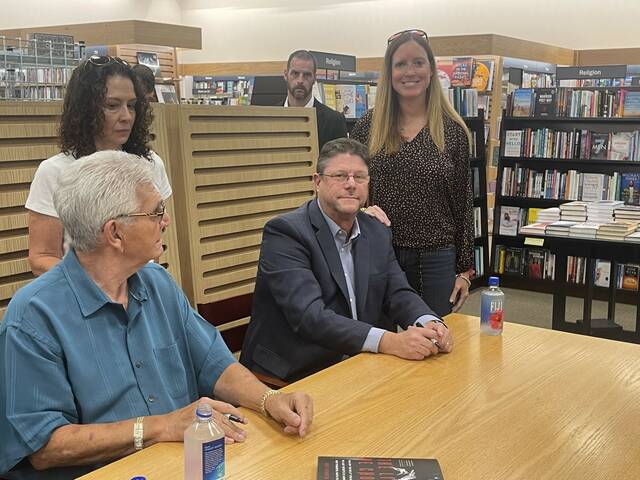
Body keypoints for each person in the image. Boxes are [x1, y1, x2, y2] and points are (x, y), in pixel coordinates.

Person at [0, 151, 313, 479]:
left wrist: (269, 398)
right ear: (115, 233)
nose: (165, 221)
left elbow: (215, 364)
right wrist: (160, 427)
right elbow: (44, 446)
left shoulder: (158, 283)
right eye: (156, 212)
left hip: (187, 465)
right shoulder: (33, 317)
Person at [240, 138, 453, 383]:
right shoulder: (286, 233)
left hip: (355, 362)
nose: (351, 185)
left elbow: (398, 292)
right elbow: (310, 317)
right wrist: (390, 341)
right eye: (340, 176)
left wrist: (431, 322)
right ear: (317, 182)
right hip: (293, 374)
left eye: (359, 177)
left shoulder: (376, 230)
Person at [351, 29, 475, 317]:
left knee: (433, 345)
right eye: (400, 64)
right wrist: (361, 210)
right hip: (377, 253)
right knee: (376, 348)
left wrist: (465, 271)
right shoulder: (369, 125)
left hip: (435, 259)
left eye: (418, 62)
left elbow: (463, 202)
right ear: (389, 72)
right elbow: (350, 182)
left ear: (431, 70)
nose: (410, 71)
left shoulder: (453, 131)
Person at [26, 55, 172, 276]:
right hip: (81, 301)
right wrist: (97, 284)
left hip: (140, 293)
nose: (126, 116)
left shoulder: (150, 164)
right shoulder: (54, 172)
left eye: (131, 106)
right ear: (87, 110)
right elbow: (41, 258)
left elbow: (153, 244)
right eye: (112, 106)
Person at [283, 49, 348, 150]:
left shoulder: (334, 122)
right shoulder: (268, 118)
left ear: (314, 78)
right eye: (295, 73)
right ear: (286, 75)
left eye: (307, 75)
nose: (300, 80)